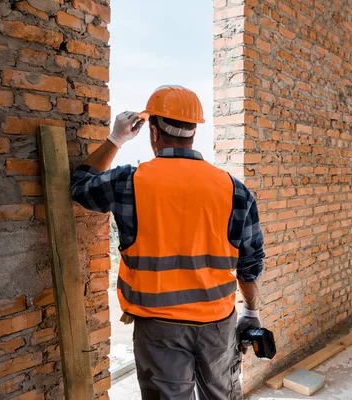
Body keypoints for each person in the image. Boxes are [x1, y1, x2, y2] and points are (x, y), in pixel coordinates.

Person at [71, 85, 266, 399]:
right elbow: (250, 264)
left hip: (157, 329)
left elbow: (79, 186)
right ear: (193, 133)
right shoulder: (234, 190)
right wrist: (251, 312)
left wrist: (116, 139)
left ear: (153, 132)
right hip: (217, 323)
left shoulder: (127, 182)